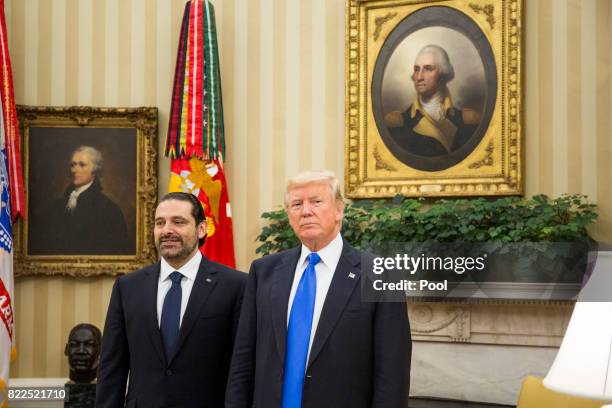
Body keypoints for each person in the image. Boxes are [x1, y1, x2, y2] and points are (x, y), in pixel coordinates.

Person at [225, 171, 411, 408]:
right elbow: (243, 360)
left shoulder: (380, 274)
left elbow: (392, 375)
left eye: (316, 201)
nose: (305, 211)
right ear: (289, 215)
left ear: (339, 210)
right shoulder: (264, 272)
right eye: (296, 204)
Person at [96, 192, 246, 408]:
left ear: (201, 229)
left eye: (178, 222)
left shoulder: (236, 286)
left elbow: (241, 368)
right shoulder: (128, 287)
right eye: (160, 223)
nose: (167, 230)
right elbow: (112, 368)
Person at [385, 44, 480, 157]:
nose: (419, 77)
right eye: (416, 69)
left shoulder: (468, 120)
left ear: (443, 74)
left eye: (428, 68)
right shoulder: (397, 123)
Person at [35, 145, 130, 255]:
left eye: (82, 165)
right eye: (73, 165)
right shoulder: (57, 206)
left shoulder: (109, 209)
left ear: (95, 170)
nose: (74, 170)